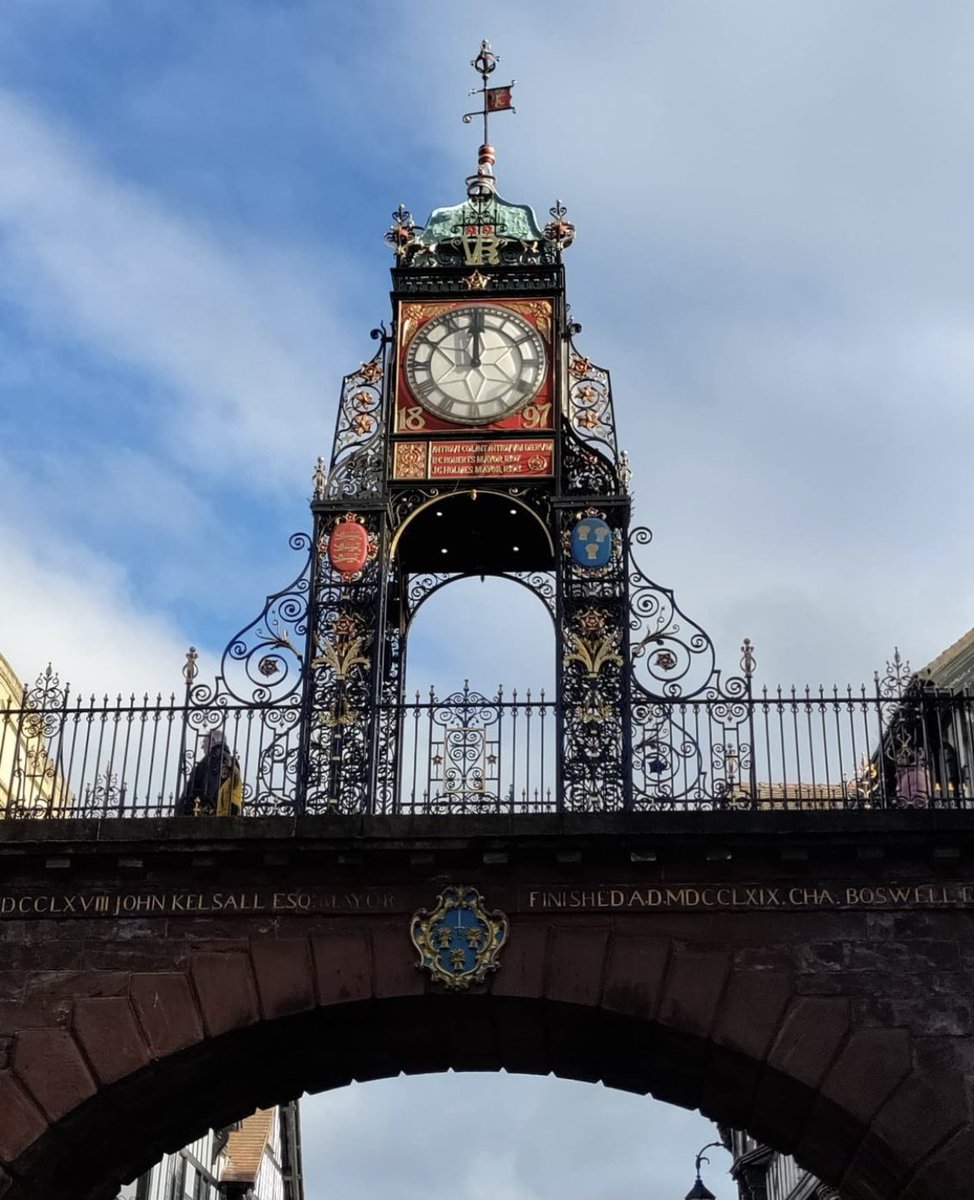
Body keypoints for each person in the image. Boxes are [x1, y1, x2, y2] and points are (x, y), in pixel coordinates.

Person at [176, 730, 242, 816]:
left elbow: (195, 791)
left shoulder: (207, 762)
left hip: (205, 815)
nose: (202, 746)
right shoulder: (232, 761)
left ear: (213, 741)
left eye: (204, 742)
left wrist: (181, 810)